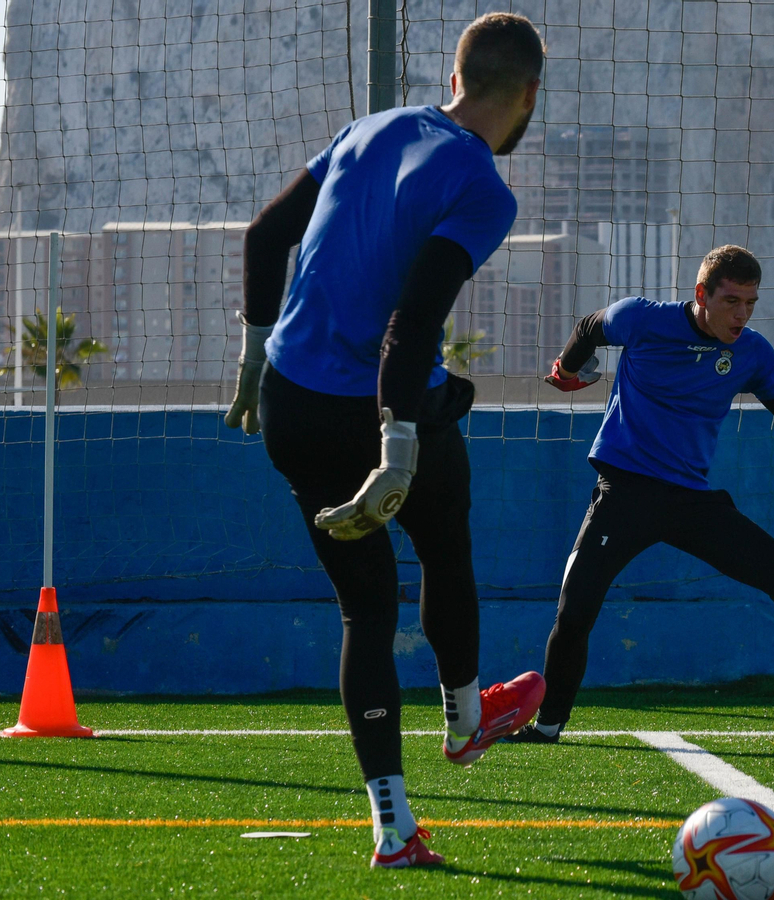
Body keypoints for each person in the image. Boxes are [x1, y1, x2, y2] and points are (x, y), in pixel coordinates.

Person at [222, 13, 549, 869]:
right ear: (527, 97)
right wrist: (398, 444)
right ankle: (467, 720)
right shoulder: (484, 187)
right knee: (445, 540)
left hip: (294, 408)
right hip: (378, 410)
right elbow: (413, 320)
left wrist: (255, 361)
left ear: (454, 74)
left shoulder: (371, 127)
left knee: (366, 609)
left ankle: (393, 828)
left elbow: (264, 238)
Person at [504, 245, 774, 748]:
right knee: (576, 608)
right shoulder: (641, 319)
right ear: (702, 295)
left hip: (691, 502)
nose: (742, 314)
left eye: (750, 303)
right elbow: (588, 327)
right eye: (732, 301)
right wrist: (568, 370)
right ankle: (548, 729)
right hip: (624, 491)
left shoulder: (751, 352)